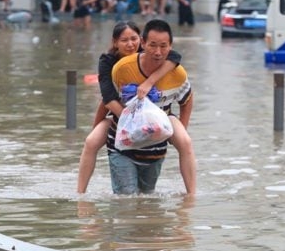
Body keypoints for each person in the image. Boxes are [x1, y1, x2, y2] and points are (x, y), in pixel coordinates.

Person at [76, 21, 196, 195]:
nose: (130, 44)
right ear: (115, 42)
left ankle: (191, 195)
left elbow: (175, 57)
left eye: (133, 39)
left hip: (160, 116)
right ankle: (80, 194)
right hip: (121, 114)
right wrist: (133, 120)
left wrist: (150, 82)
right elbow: (107, 100)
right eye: (124, 40)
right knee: (91, 141)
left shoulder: (159, 58)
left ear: (140, 41)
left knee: (185, 142)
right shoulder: (112, 65)